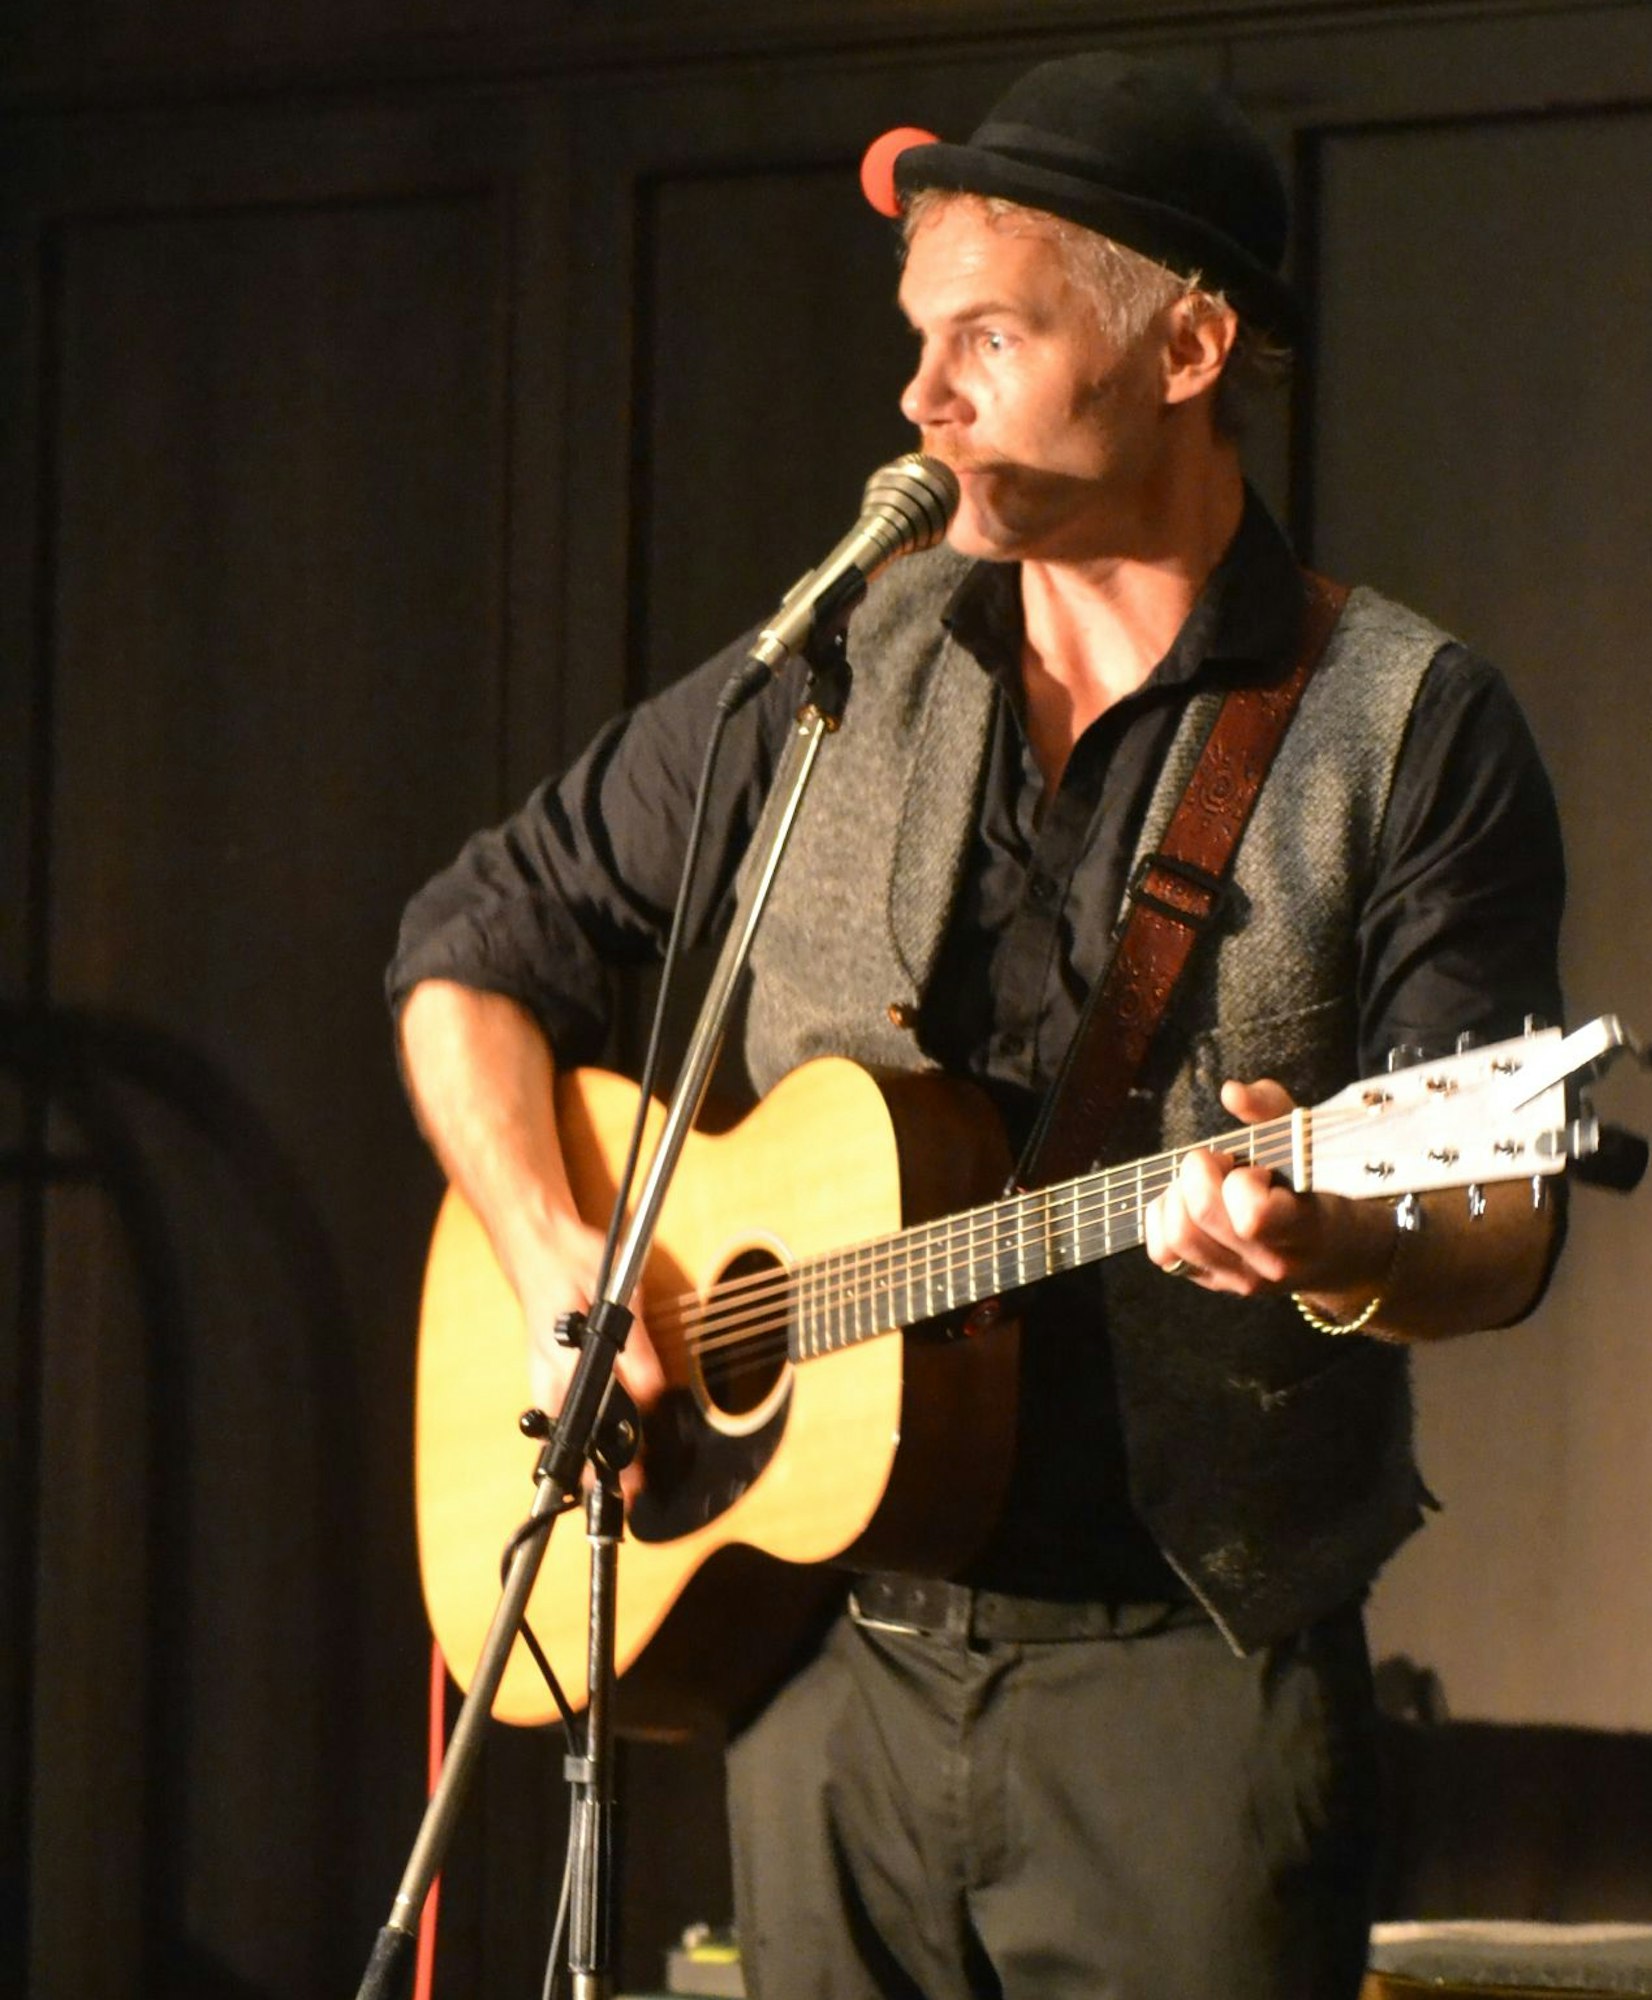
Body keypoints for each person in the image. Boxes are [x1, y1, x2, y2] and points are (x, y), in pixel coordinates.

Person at [387, 49, 1566, 2000]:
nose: (921, 400)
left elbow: (1502, 1214)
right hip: (822, 1661)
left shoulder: (1410, 727)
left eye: (988, 340)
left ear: (1187, 346)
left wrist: (1336, 1243)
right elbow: (468, 949)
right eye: (919, 342)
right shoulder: (837, 663)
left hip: (1187, 1693)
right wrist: (552, 1251)